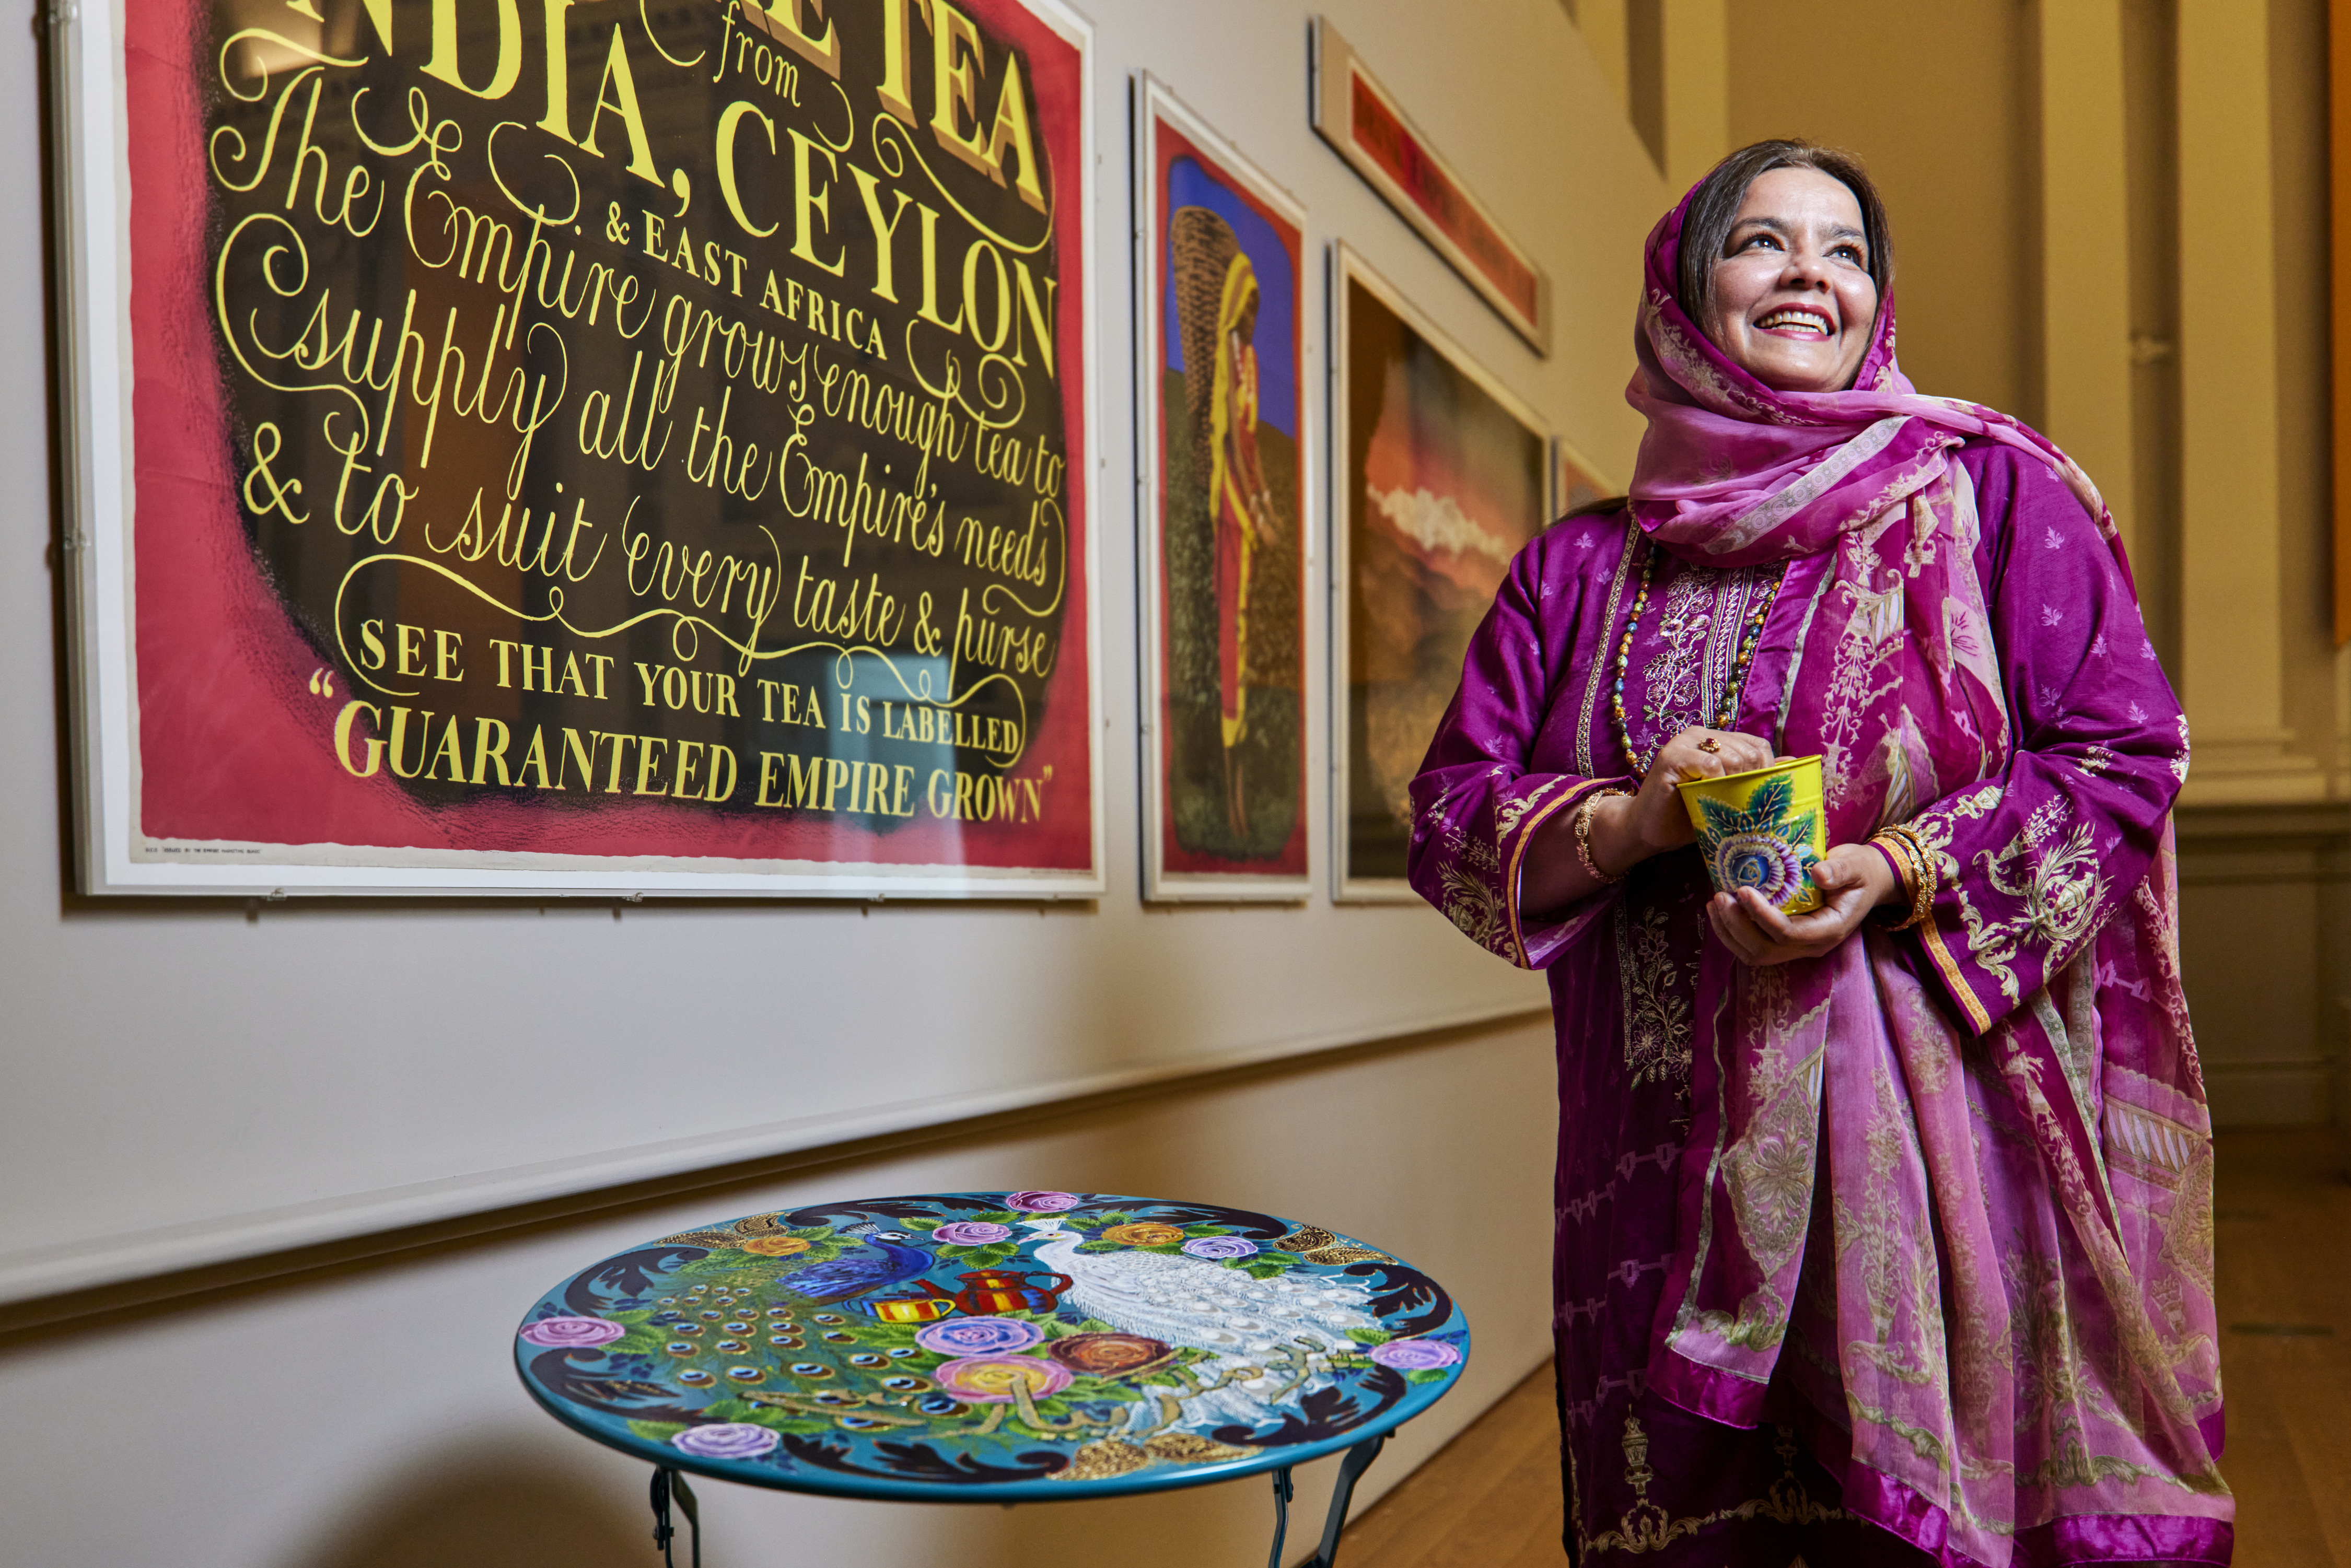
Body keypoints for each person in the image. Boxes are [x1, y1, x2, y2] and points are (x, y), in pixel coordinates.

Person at [1407, 141, 2228, 1567]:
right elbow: (1450, 815)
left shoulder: (1987, 500)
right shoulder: (1579, 570)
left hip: (1949, 1135)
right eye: (1761, 240)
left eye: (1844, 250)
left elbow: (2122, 748)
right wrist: (1635, 819)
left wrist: (1899, 868)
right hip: (1662, 1147)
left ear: (1879, 297)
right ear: (1680, 290)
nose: (1808, 273)